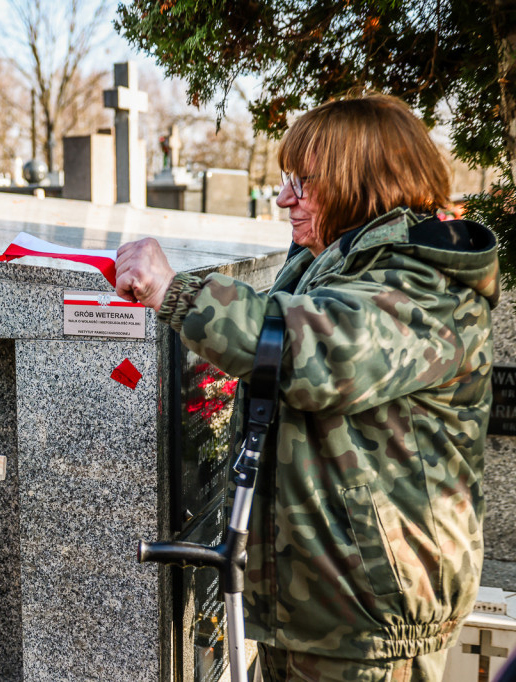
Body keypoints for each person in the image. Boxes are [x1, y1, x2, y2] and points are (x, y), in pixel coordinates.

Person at [116, 94, 497, 681]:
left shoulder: (425, 282)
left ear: (361, 182)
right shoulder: (335, 260)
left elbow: (319, 350)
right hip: (317, 604)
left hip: (369, 621)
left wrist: (177, 290)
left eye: (301, 180)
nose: (283, 196)